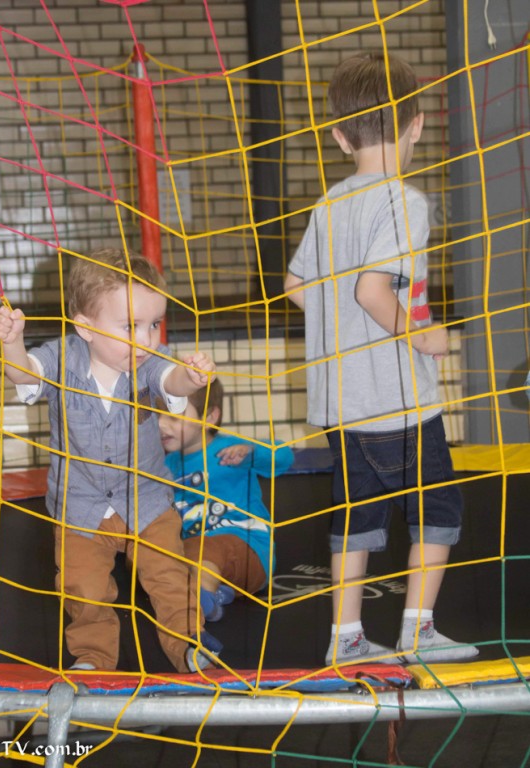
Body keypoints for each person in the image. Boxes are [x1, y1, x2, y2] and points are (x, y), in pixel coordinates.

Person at [284, 52, 479, 666]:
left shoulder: (329, 203)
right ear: (416, 125)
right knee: (436, 509)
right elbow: (373, 290)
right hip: (398, 400)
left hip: (341, 405)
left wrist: (341, 326)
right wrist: (418, 334)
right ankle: (417, 632)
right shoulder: (404, 201)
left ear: (340, 138)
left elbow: (296, 286)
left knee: (357, 518)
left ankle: (346, 638)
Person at [0, 247, 222, 674]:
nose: (146, 339)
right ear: (86, 327)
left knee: (170, 578)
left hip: (146, 501)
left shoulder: (149, 362)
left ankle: (189, 645)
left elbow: (170, 378)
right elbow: (24, 373)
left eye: (154, 324)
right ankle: (94, 659)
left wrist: (190, 378)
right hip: (80, 509)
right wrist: (12, 342)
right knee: (83, 591)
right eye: (130, 326)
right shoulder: (61, 358)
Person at [159, 379, 294, 621]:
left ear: (210, 417)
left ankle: (199, 600)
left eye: (174, 417)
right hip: (195, 553)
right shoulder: (164, 465)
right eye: (157, 415)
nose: (161, 425)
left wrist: (252, 452)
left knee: (203, 549)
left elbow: (284, 457)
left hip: (248, 550)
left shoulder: (230, 450)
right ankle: (216, 594)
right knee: (155, 556)